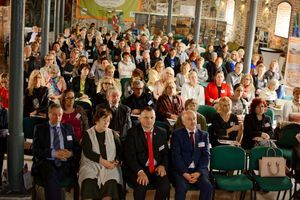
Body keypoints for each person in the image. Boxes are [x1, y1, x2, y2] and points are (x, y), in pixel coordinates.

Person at [31, 103, 81, 200]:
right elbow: (36, 151)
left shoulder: (68, 128)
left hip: (65, 164)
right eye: (54, 114)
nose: (57, 117)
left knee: (52, 180)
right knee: (51, 174)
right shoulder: (40, 128)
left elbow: (77, 148)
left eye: (60, 115)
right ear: (49, 114)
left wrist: (71, 153)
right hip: (46, 162)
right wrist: (54, 153)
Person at [124, 107, 170, 200]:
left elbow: (166, 154)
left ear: (155, 118)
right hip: (139, 168)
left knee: (165, 185)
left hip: (157, 168)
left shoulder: (162, 132)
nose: (149, 120)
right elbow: (129, 157)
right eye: (145, 117)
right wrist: (140, 172)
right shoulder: (132, 133)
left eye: (152, 117)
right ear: (139, 118)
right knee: (141, 186)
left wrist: (163, 166)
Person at [78, 107, 123, 200]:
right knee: (88, 181)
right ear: (97, 120)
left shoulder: (113, 134)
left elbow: (120, 151)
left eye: (108, 121)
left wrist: (117, 161)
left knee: (111, 182)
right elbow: (88, 152)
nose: (106, 123)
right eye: (104, 120)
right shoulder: (88, 134)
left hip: (110, 165)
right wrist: (103, 162)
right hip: (91, 165)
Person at [171, 110, 213, 200]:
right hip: (182, 170)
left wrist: (198, 172)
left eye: (194, 119)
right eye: (189, 119)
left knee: (208, 187)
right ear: (183, 122)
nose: (193, 121)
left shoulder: (204, 135)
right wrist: (185, 173)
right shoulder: (177, 134)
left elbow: (206, 156)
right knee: (181, 188)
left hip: (199, 170)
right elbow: (176, 156)